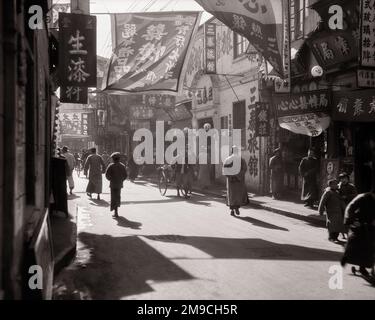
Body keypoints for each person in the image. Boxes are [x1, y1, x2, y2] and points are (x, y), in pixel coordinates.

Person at [341, 191, 375, 278]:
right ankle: (346, 257)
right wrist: (352, 221)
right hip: (358, 224)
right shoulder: (363, 197)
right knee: (353, 244)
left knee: (369, 248)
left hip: (370, 226)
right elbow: (350, 208)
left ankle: (362, 268)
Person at [223, 146, 249, 216]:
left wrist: (231, 176)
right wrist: (238, 176)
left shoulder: (227, 159)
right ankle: (237, 208)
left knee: (232, 195)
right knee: (238, 195)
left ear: (231, 151)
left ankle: (232, 210)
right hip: (238, 181)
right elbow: (244, 169)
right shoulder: (241, 159)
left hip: (231, 181)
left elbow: (225, 170)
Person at [105, 152, 128, 218]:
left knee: (113, 197)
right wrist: (121, 180)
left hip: (113, 184)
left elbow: (107, 175)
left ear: (113, 159)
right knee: (118, 197)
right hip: (119, 184)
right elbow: (125, 175)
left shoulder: (111, 166)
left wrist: (110, 179)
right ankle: (116, 211)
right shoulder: (122, 166)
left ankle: (115, 211)